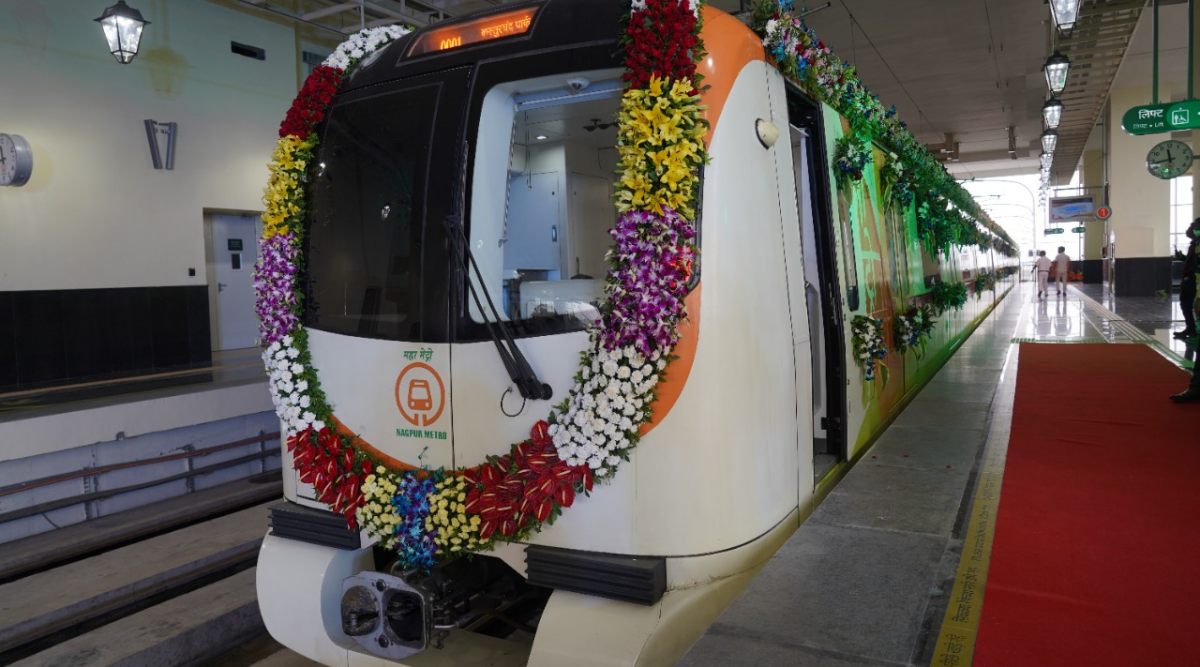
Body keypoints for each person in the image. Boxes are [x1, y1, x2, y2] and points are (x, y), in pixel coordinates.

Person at [1174, 218, 1199, 340]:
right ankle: (1191, 328)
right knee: (1186, 303)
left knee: (1188, 303)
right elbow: (1192, 261)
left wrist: (1190, 275)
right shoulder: (1195, 243)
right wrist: (1182, 257)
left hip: (1194, 279)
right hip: (1190, 278)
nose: (1191, 230)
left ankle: (1192, 329)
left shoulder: (1198, 243)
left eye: (1194, 227)